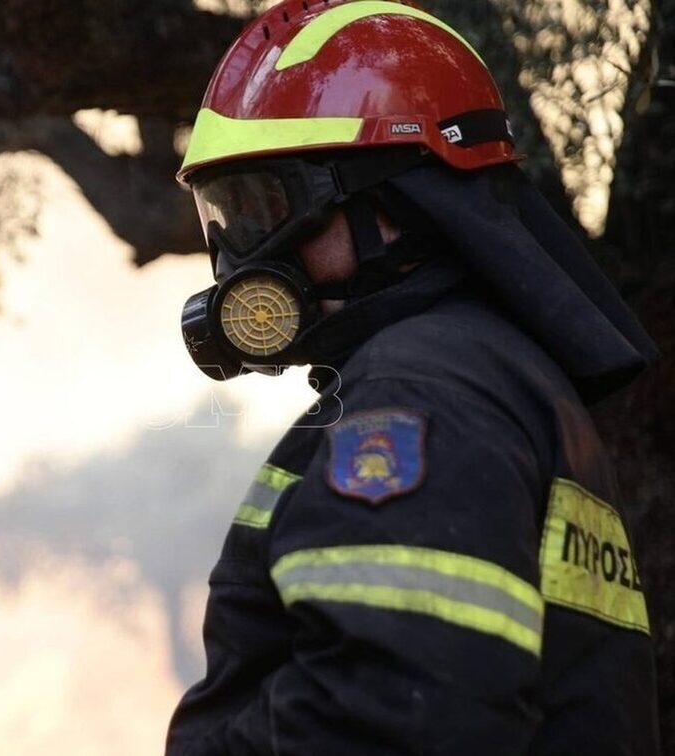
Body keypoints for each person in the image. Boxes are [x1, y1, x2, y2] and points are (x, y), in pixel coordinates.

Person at [167, 1, 661, 754]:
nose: (243, 260)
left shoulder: (420, 392)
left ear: (395, 202)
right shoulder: (502, 379)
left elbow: (390, 715)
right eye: (223, 218)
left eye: (266, 208)